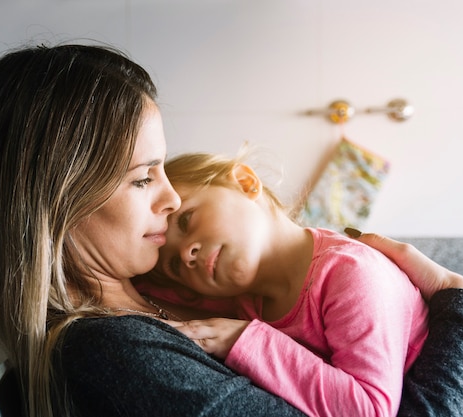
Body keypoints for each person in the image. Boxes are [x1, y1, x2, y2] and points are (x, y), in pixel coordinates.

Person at [0, 43, 463, 417]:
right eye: (143, 179)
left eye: (163, 171)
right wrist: (461, 305)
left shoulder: (160, 297)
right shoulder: (116, 355)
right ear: (59, 202)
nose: (169, 202)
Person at [142, 151, 428, 416]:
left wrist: (244, 342)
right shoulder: (244, 299)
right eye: (175, 266)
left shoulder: (351, 273)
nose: (186, 253)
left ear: (244, 183)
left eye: (186, 219)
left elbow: (370, 410)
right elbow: (123, 282)